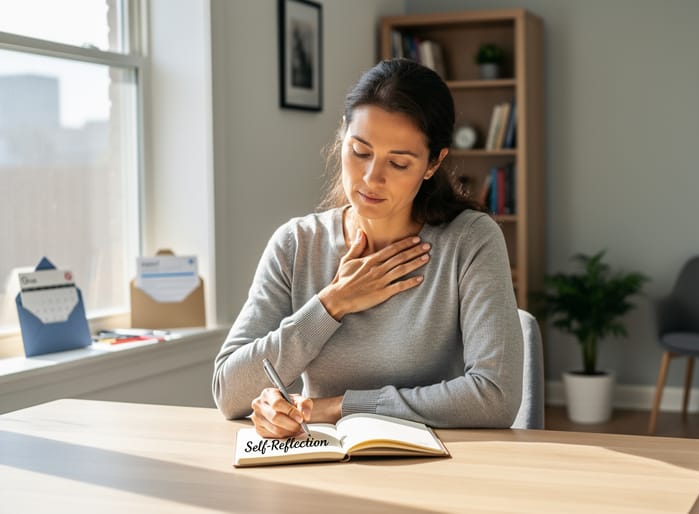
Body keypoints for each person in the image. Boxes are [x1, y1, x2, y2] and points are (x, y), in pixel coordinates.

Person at [212, 58, 523, 438]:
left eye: (398, 162)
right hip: (322, 463)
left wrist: (340, 406)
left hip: (439, 463)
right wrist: (332, 304)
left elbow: (496, 397)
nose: (372, 178)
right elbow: (229, 393)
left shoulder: (470, 240)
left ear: (433, 163)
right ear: (343, 135)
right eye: (360, 152)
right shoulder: (296, 244)